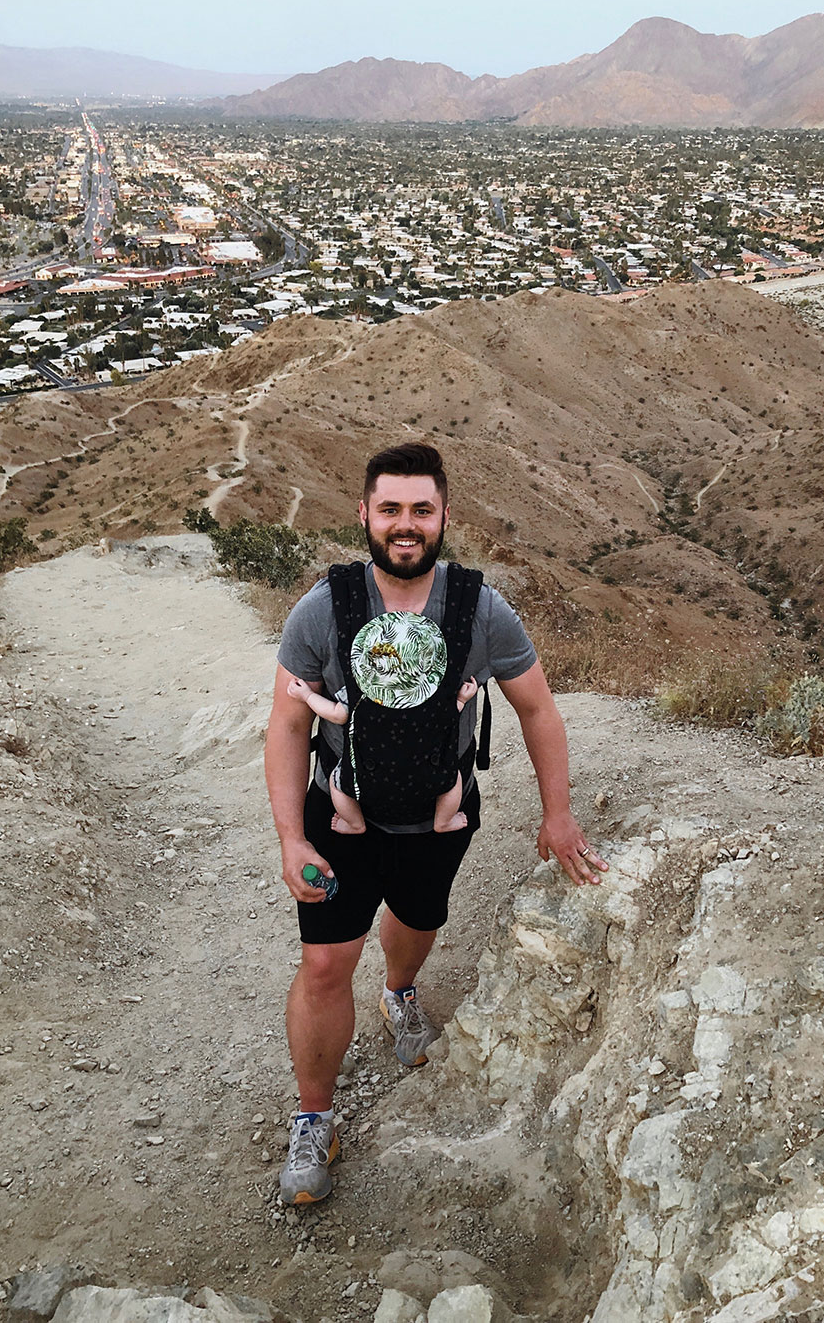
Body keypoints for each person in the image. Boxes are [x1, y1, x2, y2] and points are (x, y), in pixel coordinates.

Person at [265, 442, 607, 1205]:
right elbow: (288, 727)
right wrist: (291, 835)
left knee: (419, 920)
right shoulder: (325, 608)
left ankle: (400, 991)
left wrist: (559, 814)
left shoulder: (481, 609)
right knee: (324, 963)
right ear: (364, 513)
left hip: (440, 820)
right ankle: (314, 1117)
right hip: (340, 820)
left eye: (422, 509)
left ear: (445, 515)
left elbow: (538, 708)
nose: (406, 524)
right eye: (390, 509)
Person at [285, 673, 479, 834]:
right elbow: (447, 716)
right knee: (453, 777)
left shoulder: (359, 685)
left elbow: (337, 714)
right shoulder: (424, 688)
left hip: (369, 770)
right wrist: (461, 699)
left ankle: (354, 823)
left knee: (337, 782)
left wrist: (307, 695)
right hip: (423, 765)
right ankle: (443, 821)